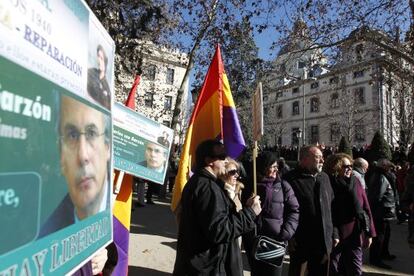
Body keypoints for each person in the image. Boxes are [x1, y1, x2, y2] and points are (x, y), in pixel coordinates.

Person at [40, 95, 111, 275]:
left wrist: (107, 255)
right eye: (72, 135)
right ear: (61, 154)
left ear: (107, 148)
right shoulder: (42, 232)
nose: (83, 155)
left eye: (92, 133)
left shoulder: (111, 217)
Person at [173, 139, 262, 276]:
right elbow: (220, 230)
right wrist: (250, 213)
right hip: (206, 266)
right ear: (209, 161)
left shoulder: (202, 182)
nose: (226, 161)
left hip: (199, 264)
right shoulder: (207, 187)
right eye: (222, 157)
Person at [283, 145, 338, 276]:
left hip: (323, 241)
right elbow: (284, 210)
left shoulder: (324, 178)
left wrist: (334, 232)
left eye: (322, 157)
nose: (322, 161)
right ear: (305, 159)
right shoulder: (289, 179)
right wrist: (289, 236)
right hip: (301, 241)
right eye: (318, 157)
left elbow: (332, 207)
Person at [244, 151, 299, 276]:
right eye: (272, 166)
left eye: (276, 166)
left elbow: (294, 210)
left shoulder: (283, 186)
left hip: (275, 242)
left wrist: (286, 233)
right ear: (262, 167)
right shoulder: (249, 185)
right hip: (253, 242)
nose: (276, 170)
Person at [324, 153, 376, 276]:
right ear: (335, 167)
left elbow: (366, 207)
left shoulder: (355, 181)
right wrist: (333, 233)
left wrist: (370, 233)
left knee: (355, 269)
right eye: (346, 166)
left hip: (354, 232)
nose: (349, 169)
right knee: (334, 269)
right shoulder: (328, 183)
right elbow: (327, 211)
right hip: (334, 233)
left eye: (351, 166)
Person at [367, 158, 398, 269]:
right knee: (379, 236)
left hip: (385, 212)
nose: (390, 169)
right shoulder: (380, 177)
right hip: (381, 213)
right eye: (389, 166)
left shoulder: (381, 175)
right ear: (384, 166)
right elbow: (376, 197)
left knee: (386, 234)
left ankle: (384, 253)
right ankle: (375, 258)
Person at [87, 45, 111, 109]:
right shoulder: (90, 73)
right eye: (98, 56)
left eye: (101, 58)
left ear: (105, 61)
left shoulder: (107, 86)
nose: (99, 60)